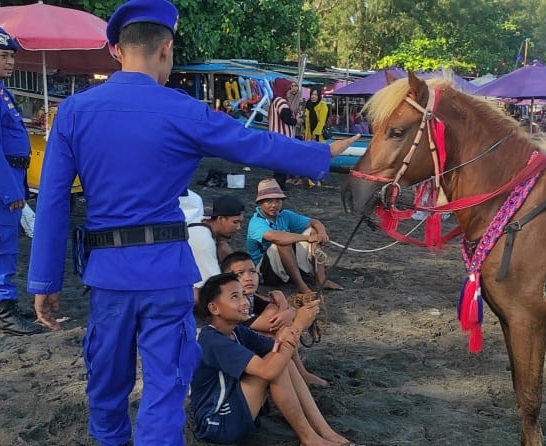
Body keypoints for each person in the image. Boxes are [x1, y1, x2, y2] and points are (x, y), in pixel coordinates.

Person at [26, 1, 359, 444]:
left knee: (106, 388)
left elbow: (51, 203)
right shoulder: (183, 110)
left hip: (107, 277)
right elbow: (253, 145)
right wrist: (321, 154)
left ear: (117, 51)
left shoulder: (73, 111)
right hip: (166, 274)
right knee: (165, 391)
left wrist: (44, 281)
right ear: (165, 49)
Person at [190, 273, 353, 445]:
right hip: (216, 423)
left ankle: (324, 431)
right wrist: (297, 326)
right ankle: (309, 439)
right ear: (214, 308)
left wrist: (290, 319)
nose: (244, 302)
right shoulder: (212, 341)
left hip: (233, 406)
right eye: (234, 297)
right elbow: (269, 370)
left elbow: (278, 348)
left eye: (243, 295)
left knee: (282, 361)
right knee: (275, 368)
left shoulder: (236, 330)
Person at [0, 26, 44, 335]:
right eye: (2, 55)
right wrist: (9, 190)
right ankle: (3, 312)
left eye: (12, 56)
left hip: (5, 182)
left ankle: (1, 305)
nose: (10, 62)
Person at [220, 250, 328, 387]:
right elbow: (274, 322)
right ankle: (300, 372)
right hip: (237, 358)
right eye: (239, 274)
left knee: (276, 324)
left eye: (252, 271)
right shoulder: (235, 306)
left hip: (248, 345)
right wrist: (285, 306)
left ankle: (297, 371)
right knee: (277, 332)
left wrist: (286, 309)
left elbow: (278, 315)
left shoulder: (251, 297)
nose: (248, 278)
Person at [247, 178, 343, 293]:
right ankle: (302, 286)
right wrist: (307, 238)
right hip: (264, 272)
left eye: (278, 201)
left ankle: (321, 279)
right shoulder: (256, 221)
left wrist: (321, 234)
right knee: (283, 241)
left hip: (282, 264)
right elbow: (274, 236)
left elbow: (315, 222)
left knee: (313, 231)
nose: (274, 205)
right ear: (260, 203)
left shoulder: (285, 215)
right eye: (269, 201)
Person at [180, 192, 244, 301]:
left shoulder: (203, 220)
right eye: (235, 222)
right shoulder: (204, 242)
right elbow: (213, 286)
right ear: (220, 219)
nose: (238, 228)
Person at [269, 77, 302, 187]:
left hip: (277, 137)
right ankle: (279, 184)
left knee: (279, 163)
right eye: (288, 89)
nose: (289, 91)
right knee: (282, 163)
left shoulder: (276, 100)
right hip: (282, 137)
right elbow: (286, 118)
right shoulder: (281, 101)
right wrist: (296, 120)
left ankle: (279, 184)